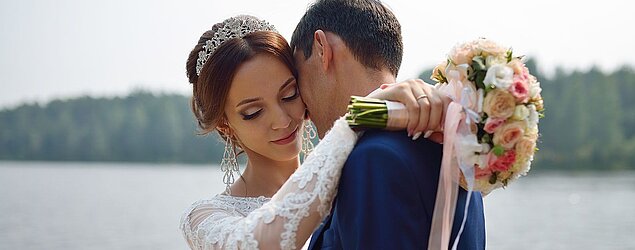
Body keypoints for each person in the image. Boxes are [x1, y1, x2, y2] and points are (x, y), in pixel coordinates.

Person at [179, 15, 448, 250]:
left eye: (289, 95)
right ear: (225, 125)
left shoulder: (360, 171)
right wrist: (353, 121)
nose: (282, 120)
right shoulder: (205, 217)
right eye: (253, 112)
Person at [290, 0, 486, 249]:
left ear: (321, 49)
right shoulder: (456, 148)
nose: (303, 112)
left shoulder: (374, 157)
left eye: (298, 79)